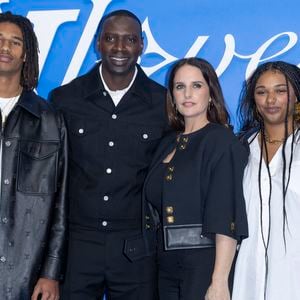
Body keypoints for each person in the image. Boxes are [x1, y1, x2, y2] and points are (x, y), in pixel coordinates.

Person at [49, 9, 167, 300]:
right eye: (111, 38)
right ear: (97, 43)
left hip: (137, 248)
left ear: (142, 46)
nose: (119, 47)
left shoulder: (163, 103)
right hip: (77, 245)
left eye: (129, 40)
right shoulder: (65, 99)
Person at [143, 57, 248, 300]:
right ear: (172, 96)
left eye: (196, 85)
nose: (187, 94)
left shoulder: (221, 141)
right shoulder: (167, 143)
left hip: (204, 264)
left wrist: (219, 281)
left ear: (211, 93)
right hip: (164, 265)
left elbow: (227, 214)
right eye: (180, 87)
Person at [0, 11, 68, 300]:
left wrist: (51, 273)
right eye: (0, 40)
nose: (5, 48)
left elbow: (60, 202)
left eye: (15, 42)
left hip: (23, 273)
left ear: (26, 54)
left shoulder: (49, 120)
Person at [232, 61, 300, 300]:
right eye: (262, 92)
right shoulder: (240, 149)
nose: (271, 100)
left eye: (280, 91)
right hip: (247, 277)